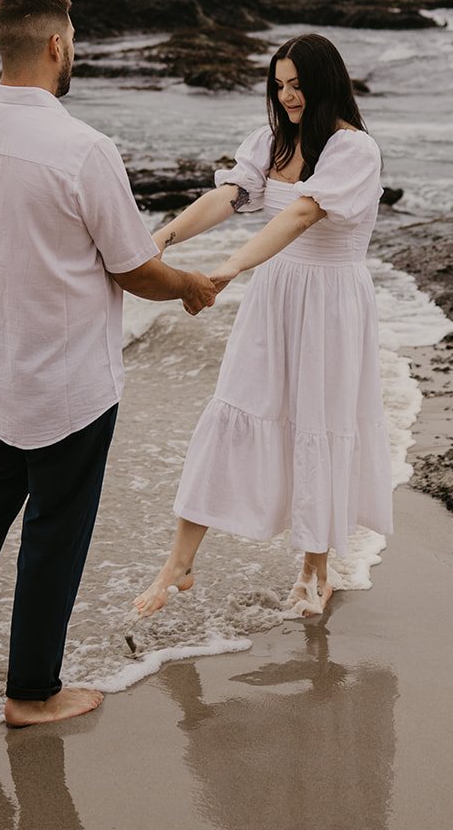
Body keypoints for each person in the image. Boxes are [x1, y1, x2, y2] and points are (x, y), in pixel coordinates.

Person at [0, 0, 218, 726]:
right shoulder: (82, 149)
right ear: (54, 45)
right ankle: (31, 692)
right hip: (70, 378)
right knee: (55, 527)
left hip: (3, 368)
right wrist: (191, 289)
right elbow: (133, 268)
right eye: (71, 37)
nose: (72, 48)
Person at [133, 33, 390, 620]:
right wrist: (159, 239)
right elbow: (227, 197)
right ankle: (180, 561)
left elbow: (302, 213)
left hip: (330, 304)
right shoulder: (271, 144)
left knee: (318, 426)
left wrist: (228, 268)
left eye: (298, 85)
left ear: (326, 82)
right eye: (279, 85)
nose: (288, 96)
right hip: (274, 297)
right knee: (231, 414)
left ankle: (314, 571)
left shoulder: (354, 151)